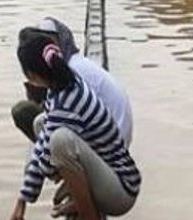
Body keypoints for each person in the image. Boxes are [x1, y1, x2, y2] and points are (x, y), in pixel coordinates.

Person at [8, 31, 141, 220]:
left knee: (60, 142)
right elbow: (42, 142)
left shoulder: (65, 102)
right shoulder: (64, 85)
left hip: (121, 191)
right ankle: (83, 202)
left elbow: (46, 159)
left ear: (32, 76)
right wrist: (22, 200)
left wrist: (41, 178)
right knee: (42, 124)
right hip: (114, 176)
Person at [11, 19, 134, 148]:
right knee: (40, 122)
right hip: (112, 139)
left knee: (24, 112)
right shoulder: (75, 65)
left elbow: (60, 120)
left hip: (109, 148)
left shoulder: (72, 73)